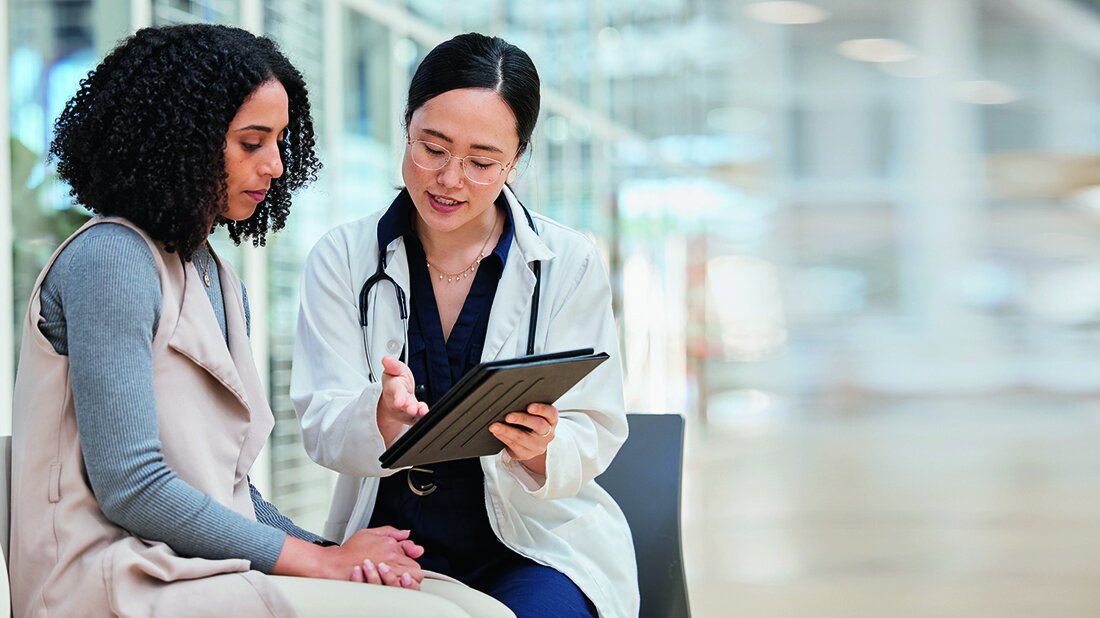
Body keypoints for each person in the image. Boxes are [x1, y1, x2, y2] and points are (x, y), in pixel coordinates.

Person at [10, 24, 510, 618]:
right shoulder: (110, 259)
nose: (274, 165)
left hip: (190, 566)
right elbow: (134, 489)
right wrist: (319, 562)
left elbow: (233, 493)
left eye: (278, 141)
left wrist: (336, 554)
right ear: (182, 141)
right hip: (108, 577)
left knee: (473, 605)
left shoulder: (214, 276)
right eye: (252, 143)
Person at [291, 33, 640, 618]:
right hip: (390, 539)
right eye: (432, 148)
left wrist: (540, 450)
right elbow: (320, 422)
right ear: (406, 128)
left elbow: (596, 425)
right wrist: (377, 417)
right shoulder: (341, 258)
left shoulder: (568, 262)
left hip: (534, 547)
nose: (450, 179)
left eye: (481, 163)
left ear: (516, 160)